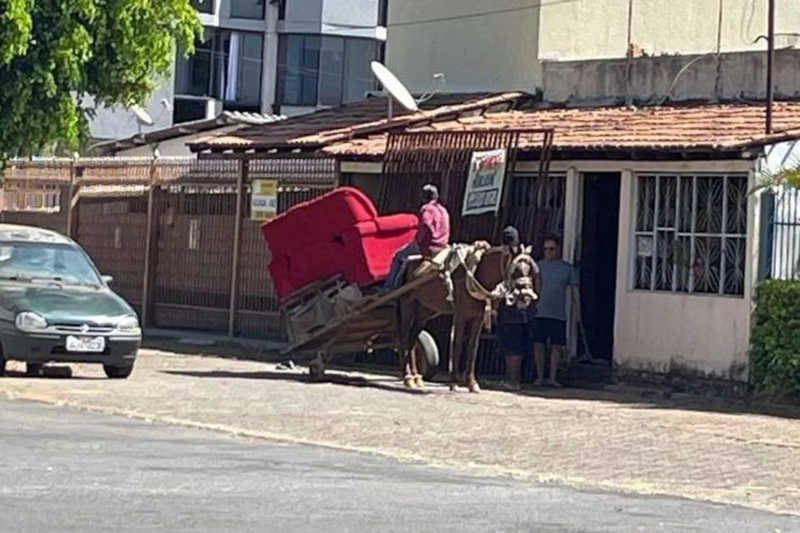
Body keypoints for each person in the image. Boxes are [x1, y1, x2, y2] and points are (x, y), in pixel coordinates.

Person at [492, 226, 540, 391]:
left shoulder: (507, 258)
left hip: (511, 306)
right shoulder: (526, 258)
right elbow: (537, 278)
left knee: (512, 346)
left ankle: (512, 380)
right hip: (527, 306)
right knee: (518, 344)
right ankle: (515, 379)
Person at [533, 235, 580, 387]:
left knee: (556, 347)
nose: (549, 252)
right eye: (546, 249)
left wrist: (578, 311)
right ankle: (540, 377)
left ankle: (552, 378)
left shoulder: (567, 268)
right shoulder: (537, 266)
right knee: (538, 345)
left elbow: (574, 291)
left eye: (552, 249)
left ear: (558, 249)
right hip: (539, 312)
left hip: (558, 313)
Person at [384, 184, 450, 290]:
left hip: (430, 246)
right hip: (442, 246)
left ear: (423, 197)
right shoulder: (443, 210)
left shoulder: (427, 209)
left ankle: (389, 287)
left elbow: (426, 225)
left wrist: (419, 240)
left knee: (398, 256)